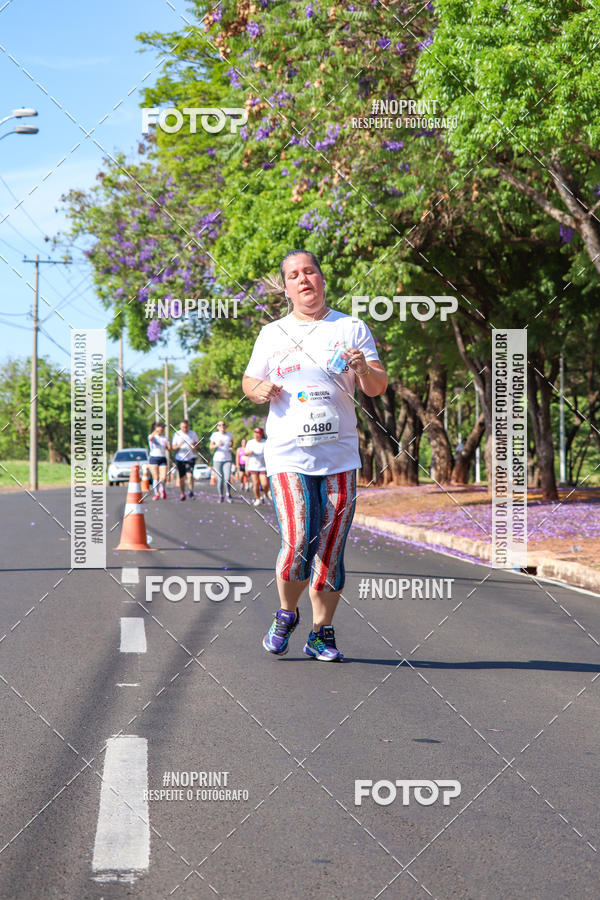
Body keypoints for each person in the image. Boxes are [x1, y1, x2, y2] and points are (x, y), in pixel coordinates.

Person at [242, 249, 388, 661]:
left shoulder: (351, 328)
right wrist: (260, 390)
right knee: (299, 538)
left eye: (309, 272)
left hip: (340, 455)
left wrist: (362, 368)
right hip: (289, 455)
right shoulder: (273, 334)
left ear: (322, 279)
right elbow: (250, 381)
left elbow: (377, 386)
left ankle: (321, 632)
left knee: (332, 546)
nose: (303, 279)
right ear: (286, 288)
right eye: (294, 275)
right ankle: (287, 613)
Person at [171, 419, 200, 501]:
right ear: (180, 427)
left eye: (186, 427)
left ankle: (191, 492)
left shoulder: (192, 433)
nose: (185, 429)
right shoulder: (177, 434)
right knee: (182, 478)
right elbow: (173, 447)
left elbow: (197, 443)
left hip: (190, 457)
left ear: (188, 426)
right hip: (180, 458)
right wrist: (179, 445)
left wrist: (195, 447)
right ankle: (183, 493)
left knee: (190, 475)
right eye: (183, 427)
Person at [209, 420, 234, 503]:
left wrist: (231, 445)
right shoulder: (215, 435)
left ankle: (228, 494)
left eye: (223, 425)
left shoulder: (229, 435)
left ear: (225, 426)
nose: (222, 426)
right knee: (220, 479)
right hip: (217, 460)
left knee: (227, 479)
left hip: (227, 459)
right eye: (219, 425)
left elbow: (232, 443)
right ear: (217, 427)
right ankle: (221, 496)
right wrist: (217, 445)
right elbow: (211, 447)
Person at [245, 427, 269, 506]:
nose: (256, 435)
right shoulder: (250, 442)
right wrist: (250, 452)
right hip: (253, 466)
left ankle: (265, 495)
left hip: (263, 466)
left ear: (261, 434)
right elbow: (245, 454)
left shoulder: (265, 442)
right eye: (255, 433)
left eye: (258, 433)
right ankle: (257, 498)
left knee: (264, 484)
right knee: (256, 483)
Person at [147, 422, 169, 500]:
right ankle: (156, 493)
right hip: (153, 458)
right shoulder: (153, 436)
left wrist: (168, 446)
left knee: (163, 477)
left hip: (162, 458)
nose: (161, 429)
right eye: (160, 428)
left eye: (162, 428)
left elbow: (168, 448)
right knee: (155, 477)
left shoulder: (164, 438)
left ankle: (162, 489)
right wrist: (155, 431)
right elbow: (150, 438)